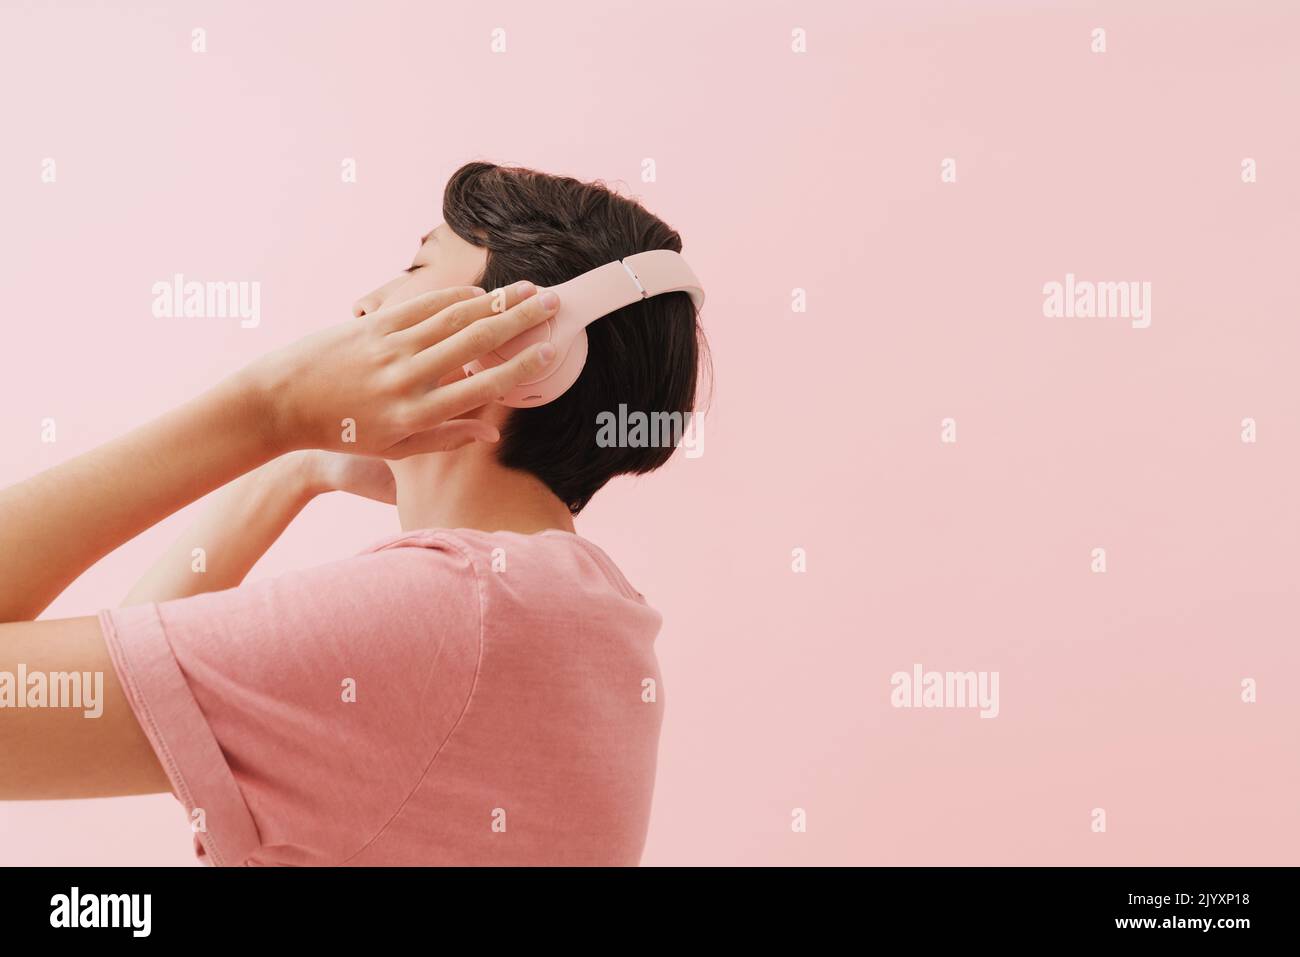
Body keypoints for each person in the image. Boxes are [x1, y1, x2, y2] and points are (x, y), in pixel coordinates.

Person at [0, 162, 707, 866]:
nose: (365, 305)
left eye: (415, 264)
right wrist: (295, 465)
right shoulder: (588, 620)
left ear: (523, 350)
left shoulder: (448, 613)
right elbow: (137, 696)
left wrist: (268, 409)